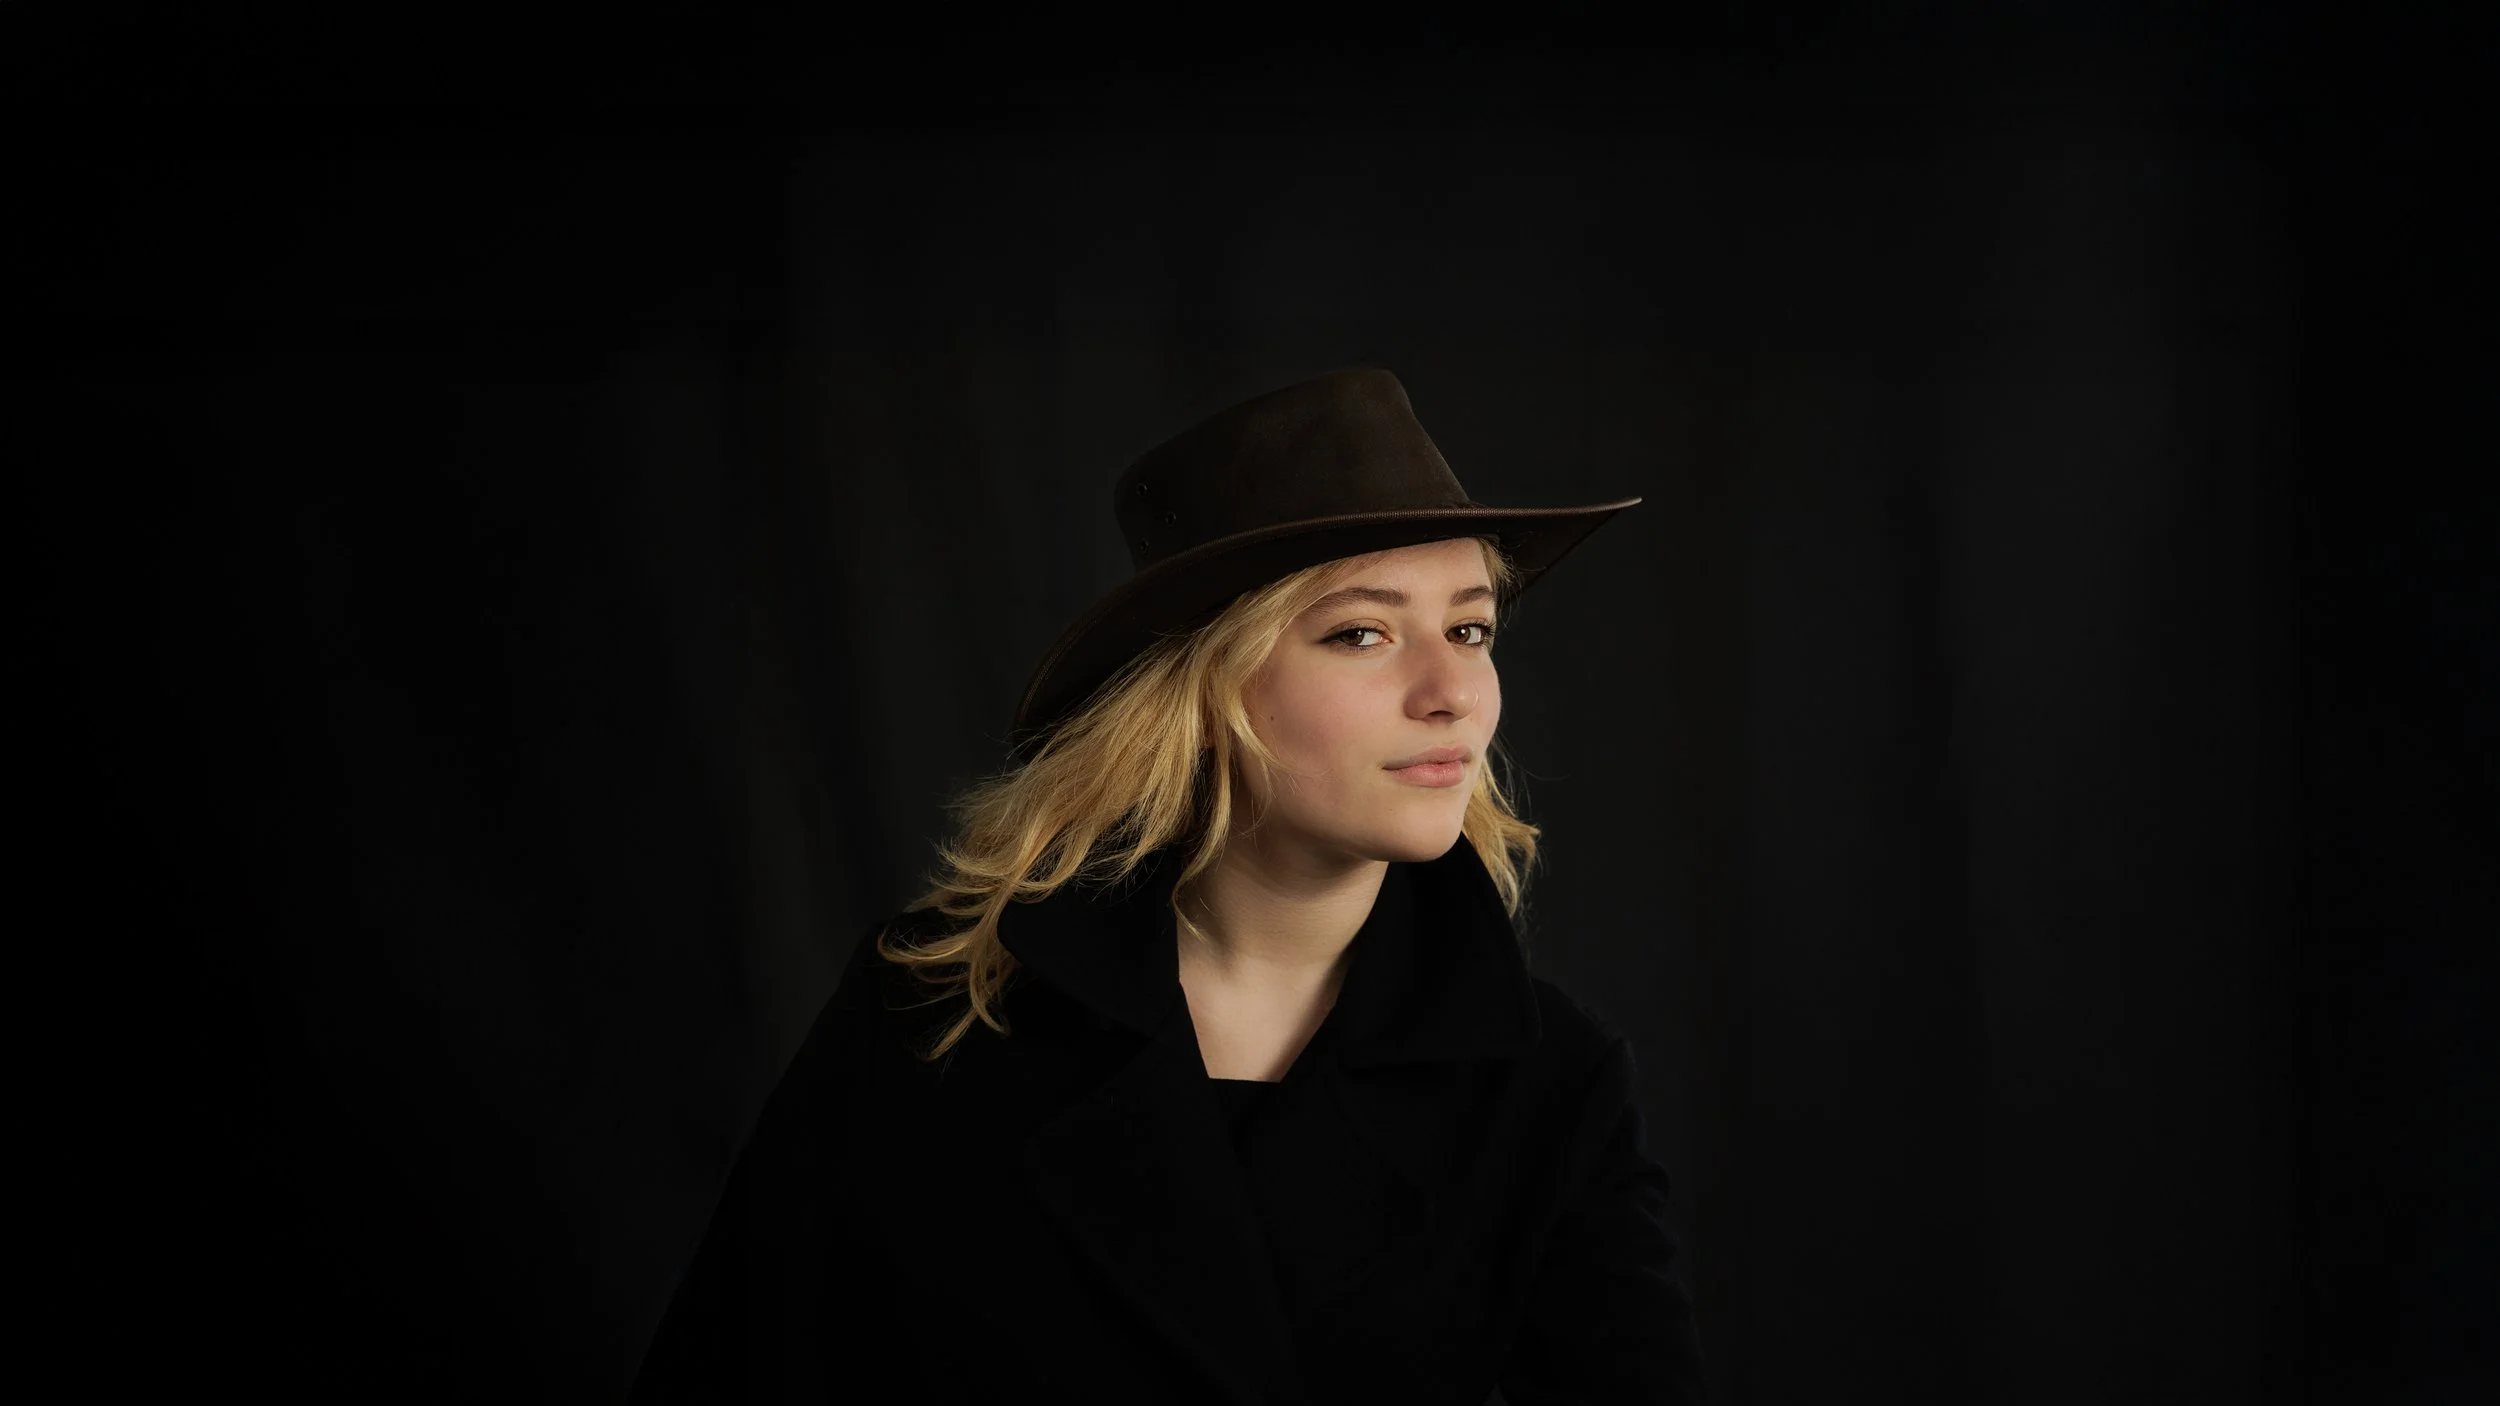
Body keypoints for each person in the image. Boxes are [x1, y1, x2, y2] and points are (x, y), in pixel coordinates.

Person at [627, 369, 1708, 1404]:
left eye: (1470, 627)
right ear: (1202, 688)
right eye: (1361, 632)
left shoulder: (1548, 1081)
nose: (1451, 693)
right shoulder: (941, 1010)